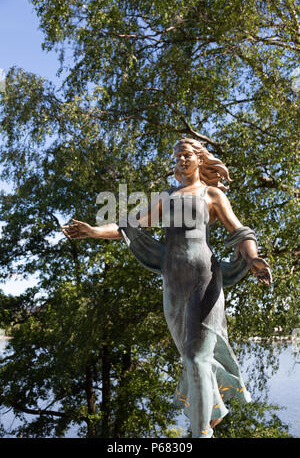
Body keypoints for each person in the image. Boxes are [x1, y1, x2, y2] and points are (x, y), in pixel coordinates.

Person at [61, 137, 272, 438]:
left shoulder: (212, 195)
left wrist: (253, 259)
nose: (181, 161)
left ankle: (201, 432)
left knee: (198, 357)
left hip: (205, 279)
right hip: (173, 282)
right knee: (191, 357)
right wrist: (94, 231)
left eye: (186, 155)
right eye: (177, 158)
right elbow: (128, 226)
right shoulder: (166, 198)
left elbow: (240, 231)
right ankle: (212, 414)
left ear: (200, 159)